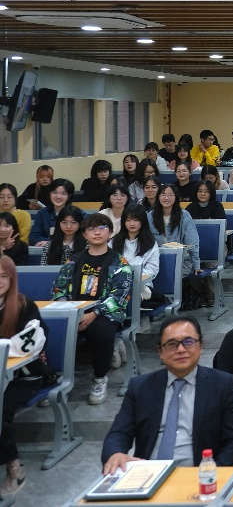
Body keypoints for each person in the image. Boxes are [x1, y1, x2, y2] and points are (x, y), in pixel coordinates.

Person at [103, 315, 233, 473]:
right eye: (172, 344)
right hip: (148, 474)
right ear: (160, 352)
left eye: (188, 342)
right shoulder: (140, 387)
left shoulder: (221, 384)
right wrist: (115, 453)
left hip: (200, 474)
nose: (181, 350)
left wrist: (212, 474)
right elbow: (119, 432)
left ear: (200, 346)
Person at [52, 213, 132, 405]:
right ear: (84, 234)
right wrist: (70, 313)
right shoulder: (74, 260)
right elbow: (59, 289)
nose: (97, 232)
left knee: (101, 331)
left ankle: (100, 378)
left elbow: (119, 295)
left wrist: (94, 314)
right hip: (74, 312)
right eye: (91, 229)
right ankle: (54, 379)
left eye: (102, 228)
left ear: (110, 233)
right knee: (51, 329)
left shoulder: (119, 262)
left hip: (105, 313)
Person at [0, 256, 44, 494]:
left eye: (4, 276)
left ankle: (14, 467)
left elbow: (28, 345)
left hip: (24, 376)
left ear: (12, 279)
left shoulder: (25, 305)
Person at [149, 183, 200, 278]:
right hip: (156, 259)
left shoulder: (184, 215)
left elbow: (192, 241)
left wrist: (196, 264)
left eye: (170, 195)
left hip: (180, 260)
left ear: (176, 197)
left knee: (171, 275)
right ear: (158, 197)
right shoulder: (150, 216)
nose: (166, 198)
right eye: (163, 194)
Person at [113, 203, 159, 302]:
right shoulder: (114, 242)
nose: (132, 224)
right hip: (116, 284)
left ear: (143, 221)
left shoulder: (150, 242)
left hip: (142, 284)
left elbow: (152, 269)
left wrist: (131, 278)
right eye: (128, 220)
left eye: (136, 220)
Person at [30, 179, 75, 247]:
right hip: (48, 251)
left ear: (69, 196)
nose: (58, 197)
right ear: (50, 194)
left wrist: (52, 242)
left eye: (63, 193)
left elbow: (83, 238)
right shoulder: (42, 213)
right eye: (55, 192)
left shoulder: (78, 214)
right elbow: (33, 237)